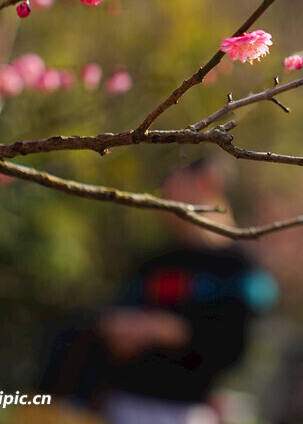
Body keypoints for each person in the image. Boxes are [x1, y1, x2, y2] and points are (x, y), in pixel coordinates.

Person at [41, 158, 276, 424]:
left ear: (207, 181)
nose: (162, 191)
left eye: (172, 181)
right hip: (118, 404)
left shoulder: (242, 269)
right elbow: (114, 314)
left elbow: (233, 345)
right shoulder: (155, 262)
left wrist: (173, 331)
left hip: (184, 411)